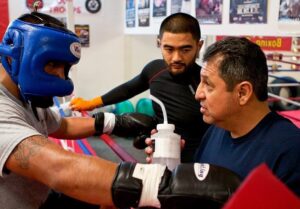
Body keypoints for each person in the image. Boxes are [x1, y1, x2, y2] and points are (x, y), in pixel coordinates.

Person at [0, 11, 242, 209]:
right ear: (16, 55)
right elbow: (60, 168)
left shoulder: (27, 97)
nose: (61, 78)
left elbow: (61, 125)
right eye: (52, 64)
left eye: (66, 68)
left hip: (43, 197)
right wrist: (161, 184)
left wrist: (116, 122)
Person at [147, 37, 300, 196]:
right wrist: (175, 165)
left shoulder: (290, 151)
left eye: (208, 85)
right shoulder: (217, 130)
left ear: (242, 93)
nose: (198, 94)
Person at [70, 13, 210, 162]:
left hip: (197, 164)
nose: (176, 58)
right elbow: (128, 89)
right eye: (169, 49)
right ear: (159, 43)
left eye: (185, 50)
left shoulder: (206, 84)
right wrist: (92, 103)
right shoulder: (155, 70)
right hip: (159, 156)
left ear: (199, 46)